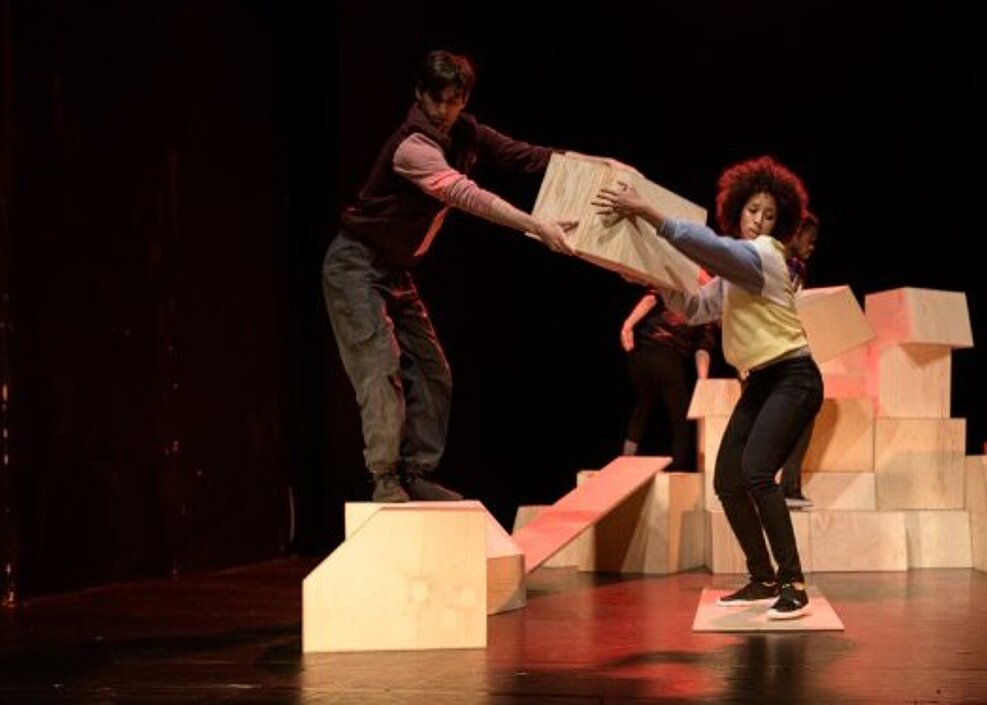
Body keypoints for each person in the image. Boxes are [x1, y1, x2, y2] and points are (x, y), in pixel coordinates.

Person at [322, 50, 616, 503]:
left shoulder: (467, 132)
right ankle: (385, 480)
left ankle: (415, 471)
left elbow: (526, 156)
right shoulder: (412, 146)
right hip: (356, 266)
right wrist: (536, 225)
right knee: (380, 370)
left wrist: (597, 165)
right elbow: (466, 195)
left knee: (434, 370)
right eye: (436, 101)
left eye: (453, 102)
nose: (443, 112)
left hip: (396, 271)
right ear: (419, 96)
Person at [595, 156, 823, 620]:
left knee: (758, 473)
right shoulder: (735, 274)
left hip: (793, 376)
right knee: (727, 481)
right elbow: (697, 308)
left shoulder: (765, 256)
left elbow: (712, 247)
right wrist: (656, 280)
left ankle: (793, 583)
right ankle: (761, 578)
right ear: (738, 208)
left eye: (769, 215)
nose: (758, 220)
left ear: (779, 224)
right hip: (760, 383)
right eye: (752, 210)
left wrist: (651, 214)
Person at [619, 281, 717, 472]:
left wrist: (628, 325)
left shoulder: (676, 286)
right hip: (667, 359)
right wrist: (702, 381)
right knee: (680, 419)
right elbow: (702, 349)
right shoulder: (707, 308)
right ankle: (679, 468)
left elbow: (650, 299)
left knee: (644, 402)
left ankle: (627, 456)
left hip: (640, 357)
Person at [778, 211, 821, 509]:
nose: (812, 245)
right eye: (810, 239)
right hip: (769, 351)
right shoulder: (774, 261)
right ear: (794, 235)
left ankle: (789, 486)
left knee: (806, 406)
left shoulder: (797, 268)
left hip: (790, 347)